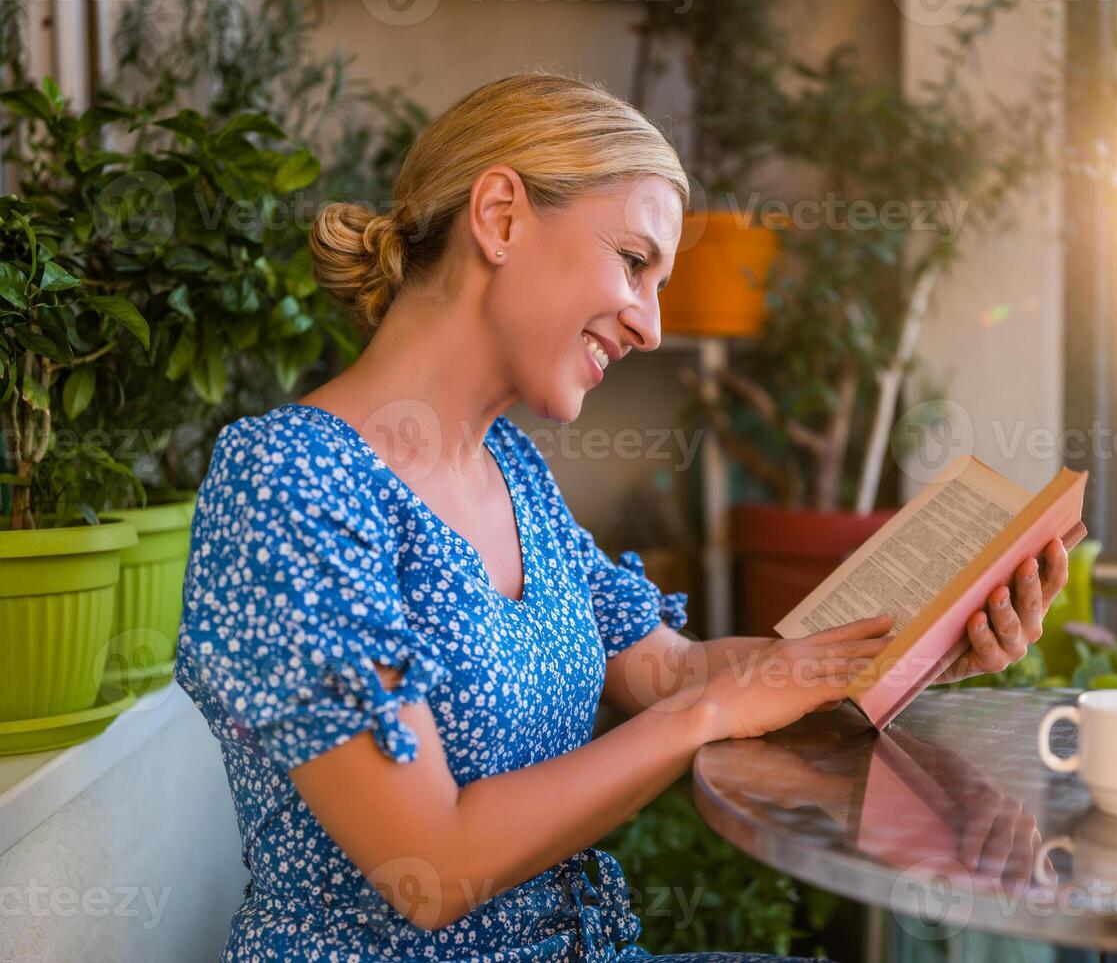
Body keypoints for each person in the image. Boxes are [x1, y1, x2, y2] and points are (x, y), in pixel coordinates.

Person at [174, 72, 1070, 962]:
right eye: (634, 263)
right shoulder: (289, 481)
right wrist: (710, 712)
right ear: (500, 217)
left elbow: (667, 673)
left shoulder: (515, 472)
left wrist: (915, 645)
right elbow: (429, 864)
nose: (648, 325)